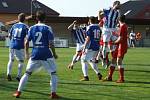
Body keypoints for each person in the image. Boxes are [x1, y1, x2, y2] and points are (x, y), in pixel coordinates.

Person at [13, 11, 59, 99]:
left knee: (27, 73)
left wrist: (26, 54)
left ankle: (18, 92)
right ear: (45, 18)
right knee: (53, 73)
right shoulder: (48, 28)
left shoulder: (32, 28)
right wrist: (54, 54)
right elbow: (51, 44)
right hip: (46, 54)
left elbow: (26, 42)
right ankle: (53, 93)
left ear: (37, 18)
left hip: (35, 54)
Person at [103, 15, 128, 83]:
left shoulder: (123, 26)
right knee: (113, 60)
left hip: (122, 46)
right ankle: (109, 77)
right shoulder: (123, 26)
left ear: (118, 20)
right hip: (120, 45)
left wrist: (114, 42)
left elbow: (121, 38)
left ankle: (122, 79)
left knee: (118, 61)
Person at [7, 13, 28, 81]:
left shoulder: (14, 25)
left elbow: (9, 35)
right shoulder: (25, 26)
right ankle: (18, 76)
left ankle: (8, 74)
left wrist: (13, 41)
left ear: (18, 19)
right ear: (24, 19)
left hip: (12, 45)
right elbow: (27, 37)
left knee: (11, 60)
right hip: (20, 46)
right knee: (21, 61)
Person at [80, 16, 102, 81]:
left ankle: (85, 76)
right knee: (91, 61)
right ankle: (98, 73)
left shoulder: (89, 27)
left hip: (90, 46)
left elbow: (88, 38)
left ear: (90, 20)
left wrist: (84, 47)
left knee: (83, 60)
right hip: (97, 46)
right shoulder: (98, 27)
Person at [102, 1, 120, 68]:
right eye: (118, 4)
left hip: (113, 29)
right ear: (115, 4)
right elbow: (101, 11)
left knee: (118, 41)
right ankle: (104, 59)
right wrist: (102, 14)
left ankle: (115, 57)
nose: (119, 6)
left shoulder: (118, 12)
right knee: (105, 44)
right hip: (106, 29)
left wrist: (118, 26)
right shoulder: (109, 9)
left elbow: (118, 20)